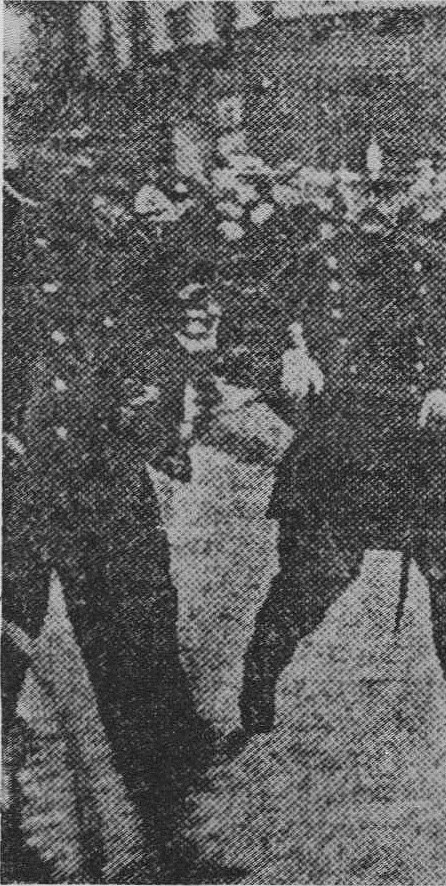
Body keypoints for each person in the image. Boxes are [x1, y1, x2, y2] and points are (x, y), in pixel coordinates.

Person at [235, 201, 446, 762]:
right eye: (362, 189)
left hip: (421, 456)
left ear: (410, 201)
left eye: (391, 191)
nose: (375, 204)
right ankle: (260, 675)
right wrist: (283, 362)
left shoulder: (438, 265)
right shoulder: (305, 265)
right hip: (338, 452)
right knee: (313, 578)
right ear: (340, 197)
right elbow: (245, 336)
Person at [1, 242, 234, 879]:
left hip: (103, 491)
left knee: (137, 664)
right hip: (14, 493)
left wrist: (157, 407)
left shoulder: (94, 244)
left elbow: (144, 344)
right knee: (4, 665)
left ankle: (169, 844)